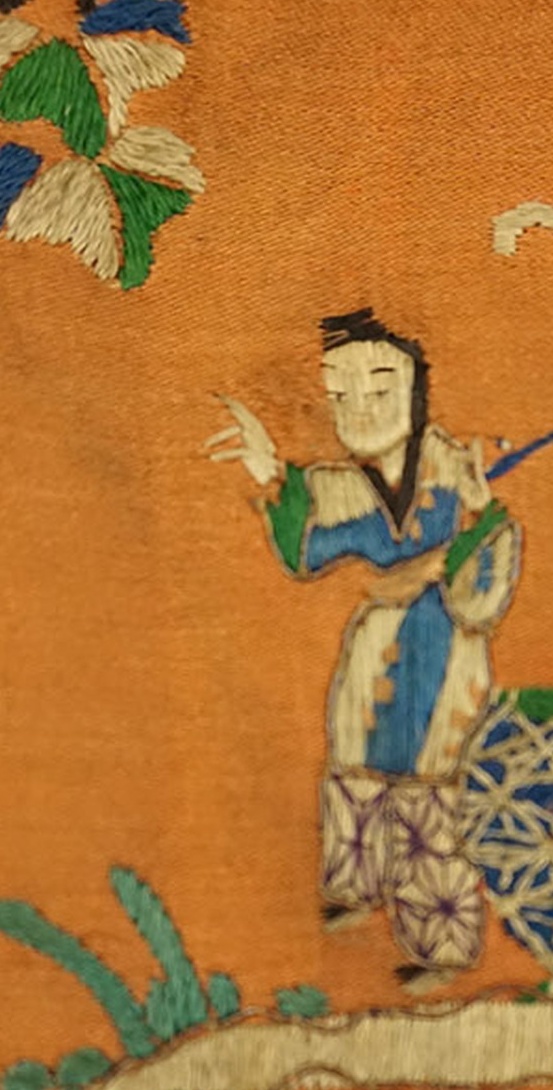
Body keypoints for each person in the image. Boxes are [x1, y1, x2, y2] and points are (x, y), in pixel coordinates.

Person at [205, 309, 523, 987]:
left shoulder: (452, 470)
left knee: (428, 794)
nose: (361, 408)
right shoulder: (342, 485)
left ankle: (442, 945)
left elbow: (483, 583)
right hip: (375, 651)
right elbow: (306, 552)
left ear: (416, 388)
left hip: (444, 655)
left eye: (380, 387)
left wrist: (470, 524)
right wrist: (273, 473)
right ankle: (354, 886)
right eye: (340, 393)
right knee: (355, 763)